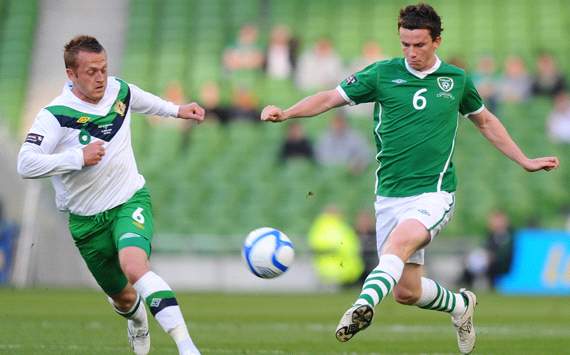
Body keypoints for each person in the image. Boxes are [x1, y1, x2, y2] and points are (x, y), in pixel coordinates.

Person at [260, 4, 560, 354]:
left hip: (433, 193)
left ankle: (362, 305)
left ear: (436, 41)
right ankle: (461, 305)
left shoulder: (456, 80)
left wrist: (523, 160)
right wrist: (287, 112)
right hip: (389, 196)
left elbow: (486, 122)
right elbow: (330, 97)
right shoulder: (382, 74)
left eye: (419, 45)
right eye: (405, 44)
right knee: (407, 292)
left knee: (398, 246)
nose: (411, 52)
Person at [17, 36, 204, 355]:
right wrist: (76, 157)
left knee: (134, 265)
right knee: (125, 298)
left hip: (129, 200)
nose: (101, 77)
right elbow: (25, 163)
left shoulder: (118, 89)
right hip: (86, 224)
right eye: (91, 71)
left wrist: (177, 110)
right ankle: (137, 322)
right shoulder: (56, 115)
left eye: (103, 69)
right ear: (71, 74)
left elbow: (138, 98)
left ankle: (186, 347)